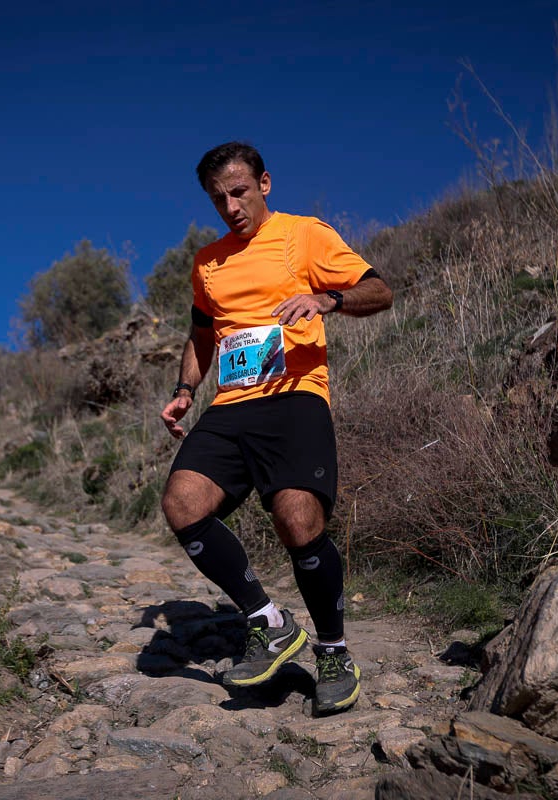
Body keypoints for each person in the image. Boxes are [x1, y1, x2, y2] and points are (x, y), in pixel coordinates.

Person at [160, 141, 393, 716]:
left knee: (297, 519)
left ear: (264, 184)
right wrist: (185, 389)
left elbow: (379, 291)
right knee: (182, 503)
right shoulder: (207, 262)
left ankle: (333, 652)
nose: (231, 207)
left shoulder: (303, 234)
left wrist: (327, 300)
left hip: (295, 397)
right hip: (231, 403)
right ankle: (269, 623)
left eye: (239, 192)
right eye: (219, 199)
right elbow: (202, 334)